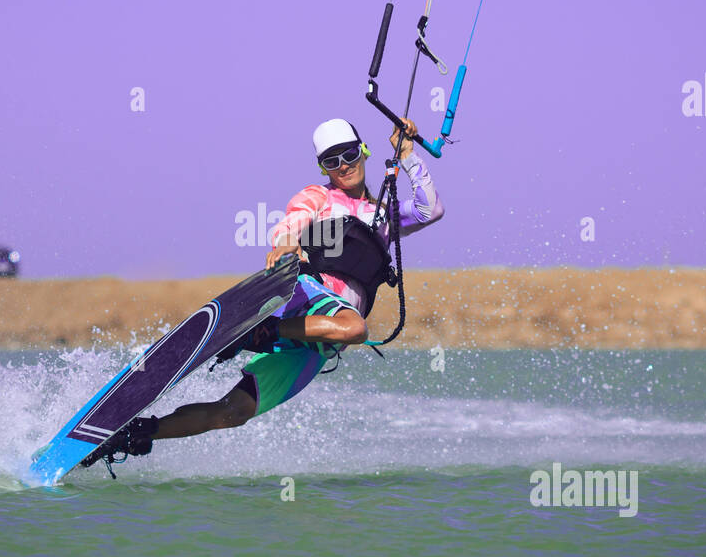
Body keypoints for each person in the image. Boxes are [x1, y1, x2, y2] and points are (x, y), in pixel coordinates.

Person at [82, 116, 445, 465]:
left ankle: (133, 436)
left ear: (364, 151)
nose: (343, 166)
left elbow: (431, 210)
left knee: (234, 412)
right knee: (356, 330)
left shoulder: (382, 216)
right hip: (309, 300)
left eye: (350, 155)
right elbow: (294, 219)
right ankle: (260, 331)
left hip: (318, 342)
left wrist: (408, 155)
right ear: (322, 168)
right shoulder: (320, 196)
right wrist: (286, 242)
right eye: (331, 161)